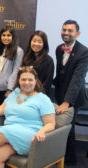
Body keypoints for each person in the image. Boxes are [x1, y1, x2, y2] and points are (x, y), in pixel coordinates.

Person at [53, 20, 88, 164]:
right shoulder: (59, 48)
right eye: (64, 30)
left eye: (70, 30)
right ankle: (58, 155)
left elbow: (77, 79)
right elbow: (61, 73)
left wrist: (67, 102)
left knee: (68, 127)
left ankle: (70, 160)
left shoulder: (84, 52)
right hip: (60, 94)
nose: (66, 33)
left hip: (73, 98)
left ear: (77, 34)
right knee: (59, 127)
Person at [0, 26, 24, 105]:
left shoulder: (18, 51)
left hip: (6, 84)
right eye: (3, 35)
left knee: (2, 107)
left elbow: (16, 71)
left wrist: (9, 89)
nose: (5, 38)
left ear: (13, 37)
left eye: (8, 35)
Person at [22, 31, 54, 97]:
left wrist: (35, 95)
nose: (36, 44)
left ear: (44, 44)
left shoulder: (49, 61)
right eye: (34, 41)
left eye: (40, 42)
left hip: (39, 96)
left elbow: (47, 84)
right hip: (24, 94)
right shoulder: (26, 57)